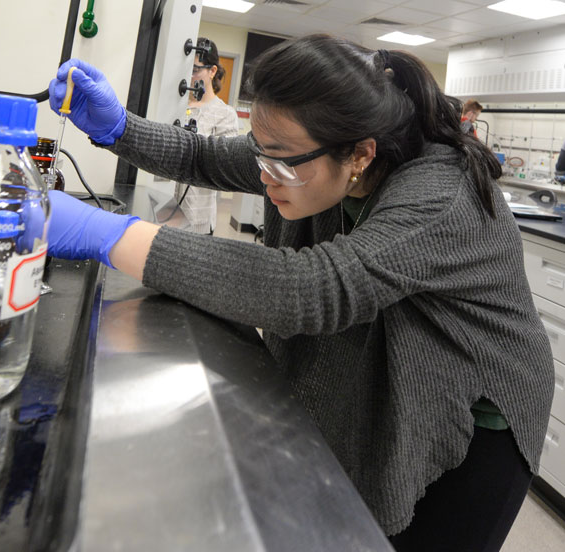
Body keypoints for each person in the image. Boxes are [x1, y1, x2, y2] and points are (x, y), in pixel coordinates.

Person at [45, 35, 553, 551]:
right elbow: (206, 156)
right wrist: (119, 128)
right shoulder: (303, 148)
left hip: (476, 414)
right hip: (397, 363)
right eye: (261, 154)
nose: (266, 176)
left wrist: (109, 235)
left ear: (360, 154)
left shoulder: (443, 194)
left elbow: (313, 287)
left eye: (281, 163)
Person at [166, 37, 241, 234]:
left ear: (212, 70)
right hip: (162, 211)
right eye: (187, 70)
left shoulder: (225, 114)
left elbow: (224, 168)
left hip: (197, 220)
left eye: (196, 70)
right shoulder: (174, 108)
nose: (190, 77)